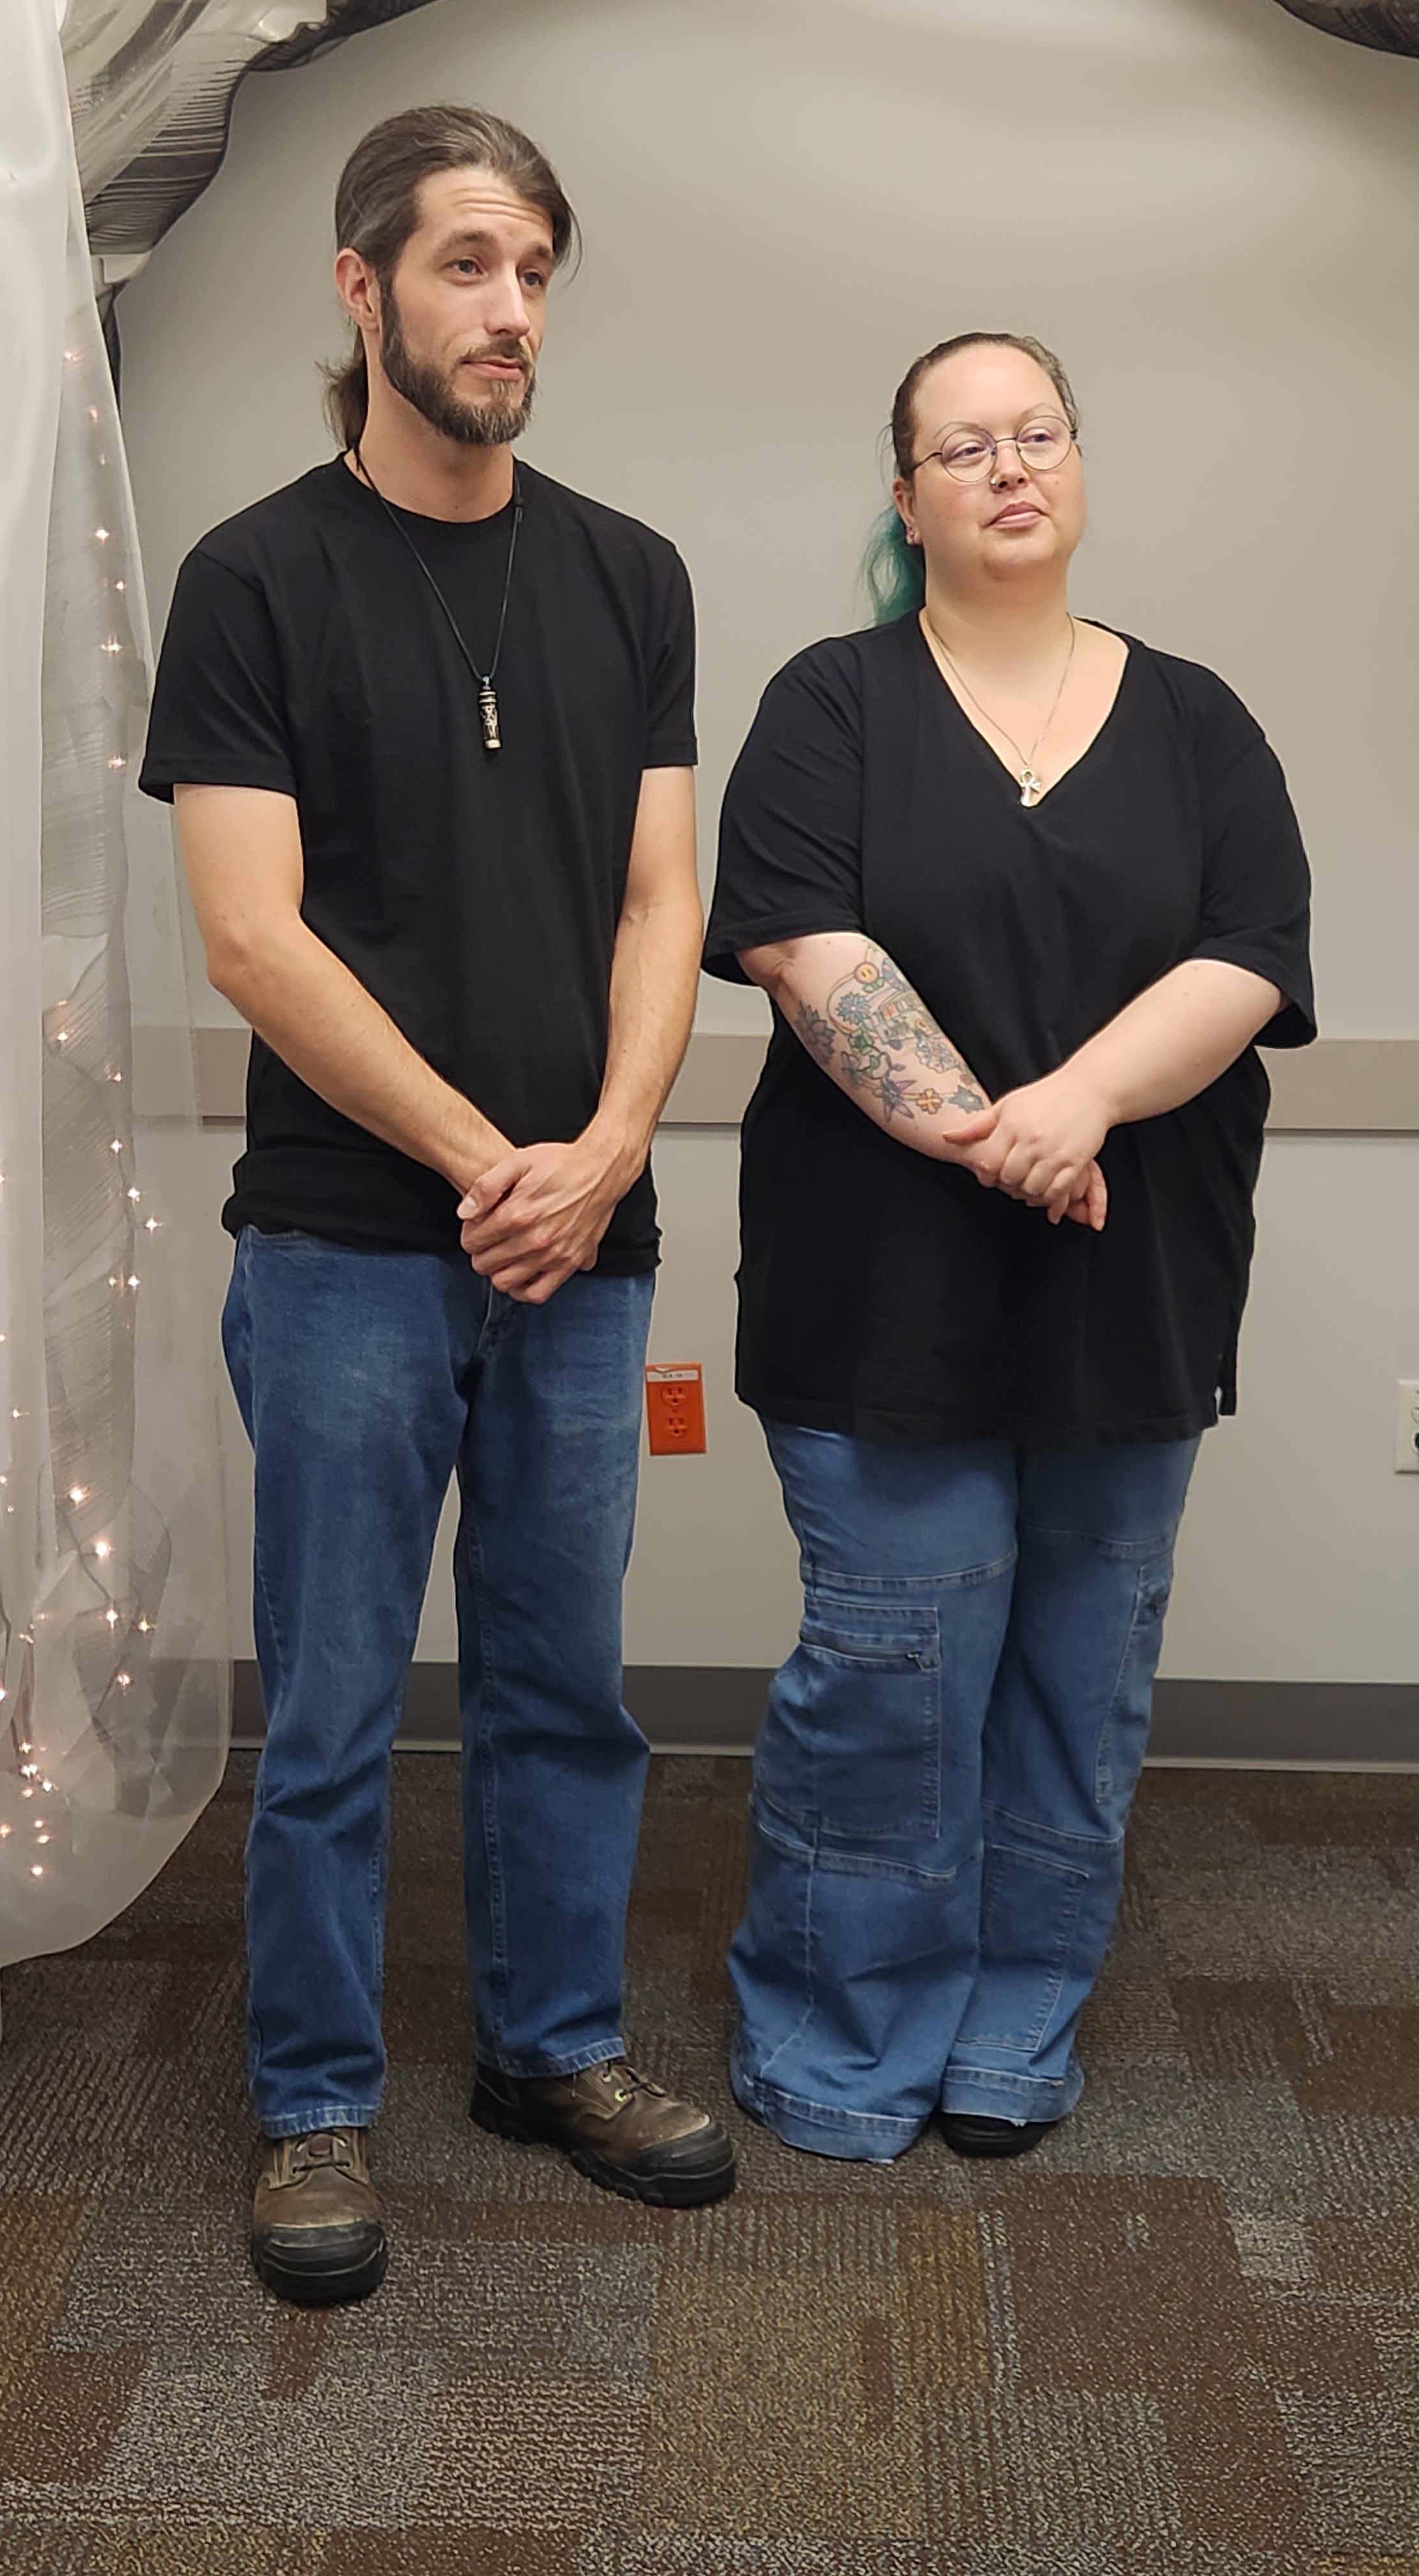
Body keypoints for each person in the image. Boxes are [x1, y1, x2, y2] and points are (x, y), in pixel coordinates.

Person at [140, 103, 735, 2305]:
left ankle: (552, 2050)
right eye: (468, 264)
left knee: (568, 1684)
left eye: (535, 272)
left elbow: (662, 901)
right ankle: (314, 2103)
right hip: (346, 1248)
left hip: (587, 1245)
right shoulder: (253, 579)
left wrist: (609, 1149)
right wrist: (496, 1163)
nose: (509, 311)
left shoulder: (632, 574)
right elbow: (250, 937)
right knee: (327, 1710)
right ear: (361, 285)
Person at [702, 331, 1314, 2166]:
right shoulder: (831, 704)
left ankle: (1012, 2031)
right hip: (879, 1287)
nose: (1008, 466)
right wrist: (998, 1138)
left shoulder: (1198, 720)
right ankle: (842, 2048)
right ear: (907, 499)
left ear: (1079, 466)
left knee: (1077, 1677)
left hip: (1136, 1286)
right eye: (961, 446)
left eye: (1036, 432)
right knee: (892, 1678)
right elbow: (805, 948)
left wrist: (1079, 1107)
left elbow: (1249, 957)